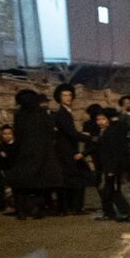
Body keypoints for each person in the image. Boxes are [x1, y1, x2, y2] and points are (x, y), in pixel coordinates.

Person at [8, 89, 60, 220]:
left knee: (21, 182)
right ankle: (37, 209)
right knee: (39, 182)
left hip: (24, 152)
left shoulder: (19, 115)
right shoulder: (42, 114)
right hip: (41, 152)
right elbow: (51, 132)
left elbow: (18, 134)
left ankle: (21, 210)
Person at [53, 83, 94, 215]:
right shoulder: (62, 113)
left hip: (68, 149)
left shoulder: (65, 112)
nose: (68, 97)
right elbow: (71, 133)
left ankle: (67, 208)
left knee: (70, 179)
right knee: (76, 179)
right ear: (59, 97)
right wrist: (89, 138)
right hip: (66, 151)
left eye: (70, 95)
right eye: (64, 95)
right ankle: (73, 208)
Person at [93, 108, 130, 222]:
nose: (100, 122)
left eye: (103, 119)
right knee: (109, 190)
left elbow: (115, 152)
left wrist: (112, 169)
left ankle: (121, 211)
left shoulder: (110, 133)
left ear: (108, 120)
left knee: (110, 190)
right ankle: (117, 211)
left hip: (111, 167)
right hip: (107, 166)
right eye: (98, 119)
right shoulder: (104, 132)